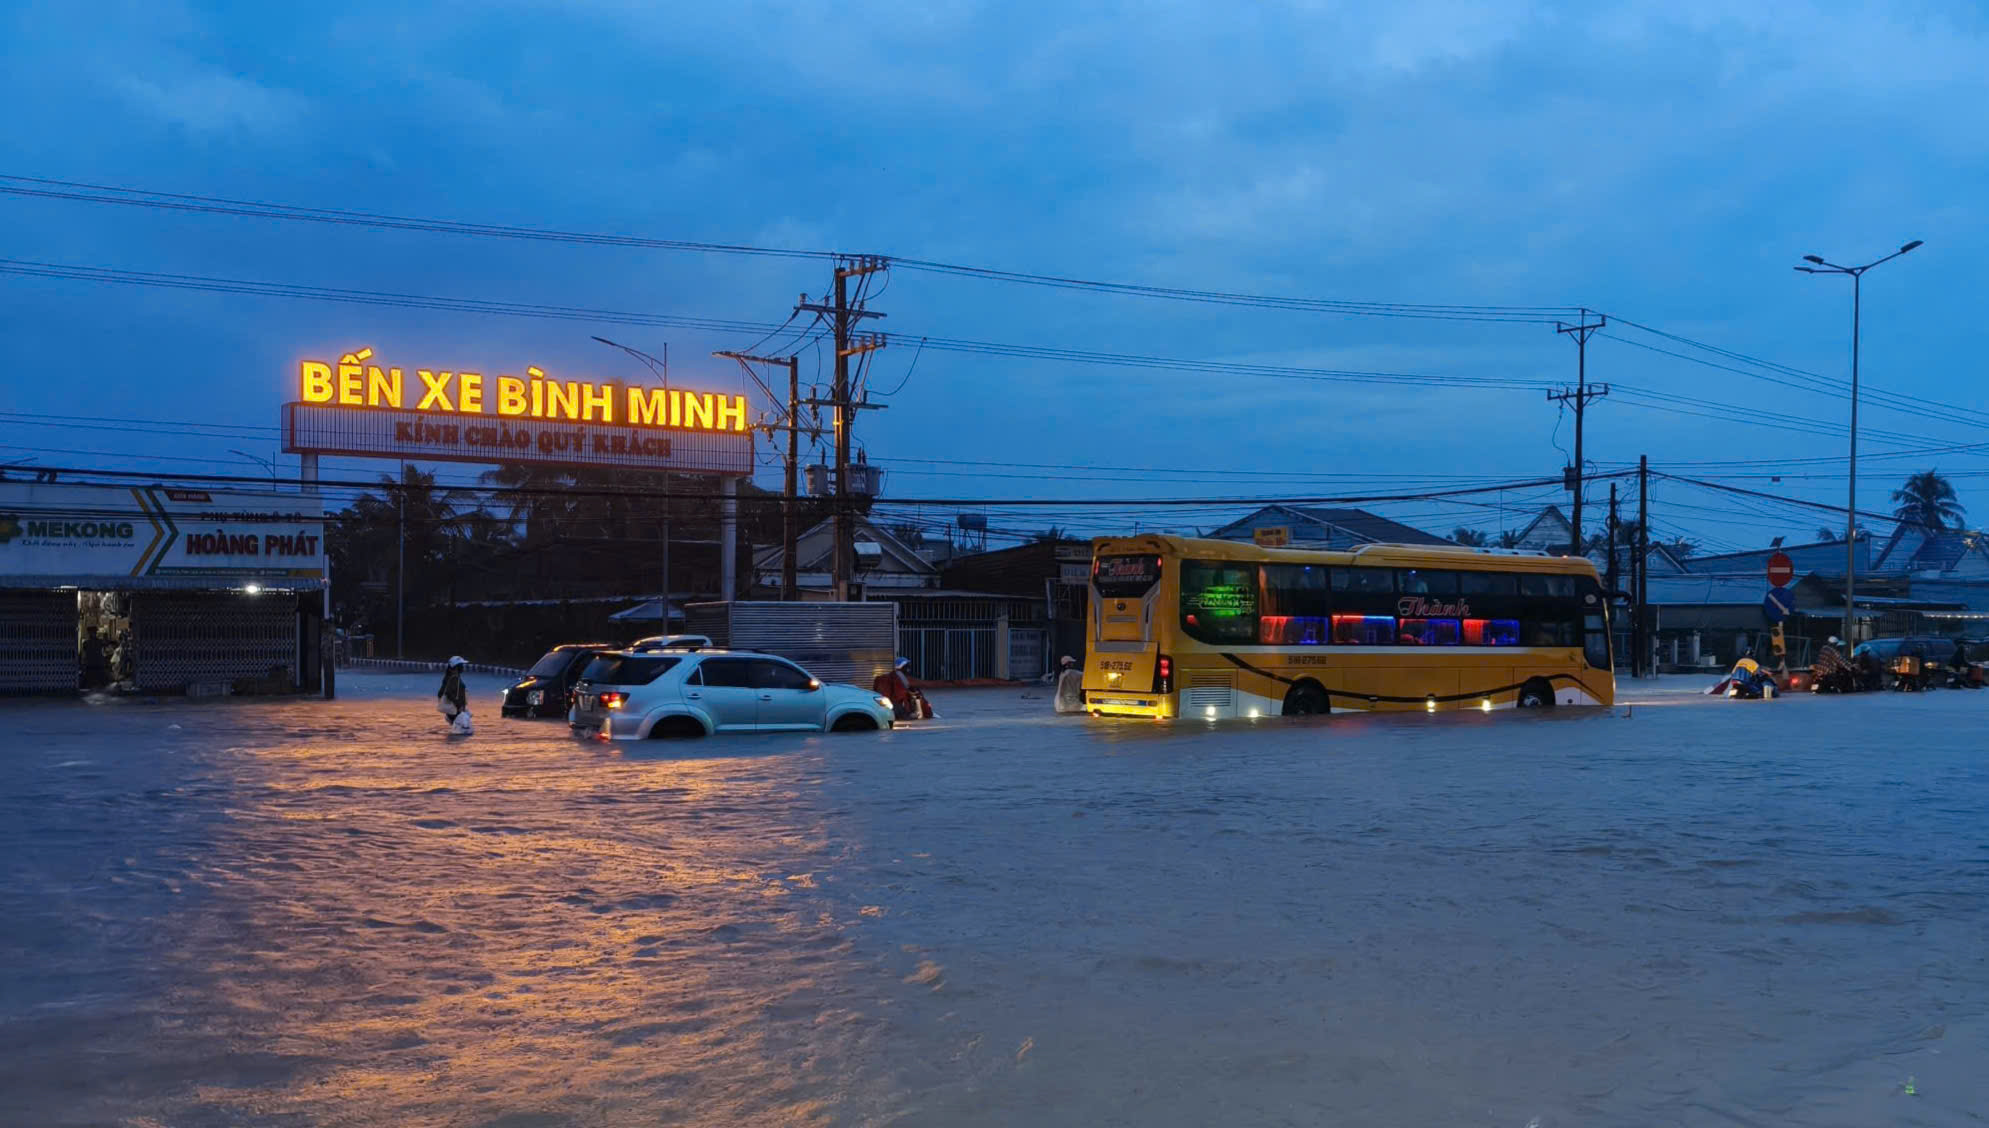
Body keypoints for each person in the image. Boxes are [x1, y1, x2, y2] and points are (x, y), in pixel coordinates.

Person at [437, 656, 472, 734]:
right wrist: (459, 705)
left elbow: (440, 693)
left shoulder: (449, 677)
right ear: (456, 667)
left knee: (456, 735)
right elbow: (448, 693)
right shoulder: (454, 678)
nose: (463, 667)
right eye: (461, 665)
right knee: (462, 735)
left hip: (454, 711)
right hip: (457, 711)